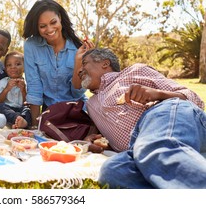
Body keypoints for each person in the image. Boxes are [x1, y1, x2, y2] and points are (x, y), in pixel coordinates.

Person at [77, 48, 206, 189]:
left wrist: (156, 94)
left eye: (84, 63)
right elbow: (110, 137)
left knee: (157, 147)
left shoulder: (136, 71)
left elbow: (195, 99)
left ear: (105, 63)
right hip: (138, 146)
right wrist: (94, 141)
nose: (79, 70)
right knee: (113, 171)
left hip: (163, 113)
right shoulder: (91, 104)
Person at [22, 0, 92, 127]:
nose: (49, 29)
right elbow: (34, 86)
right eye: (43, 26)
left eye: (53, 22)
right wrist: (35, 125)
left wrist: (78, 62)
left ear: (60, 18)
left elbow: (77, 92)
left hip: (76, 111)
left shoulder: (79, 48)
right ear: (37, 27)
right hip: (50, 113)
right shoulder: (31, 46)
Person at [0, 51, 32, 129]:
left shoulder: (28, 83)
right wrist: (7, 89)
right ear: (6, 69)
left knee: (28, 110)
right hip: (7, 110)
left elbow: (28, 104)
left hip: (21, 110)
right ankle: (18, 120)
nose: (13, 67)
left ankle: (20, 122)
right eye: (9, 65)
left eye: (17, 64)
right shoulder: (3, 82)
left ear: (24, 67)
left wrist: (23, 90)